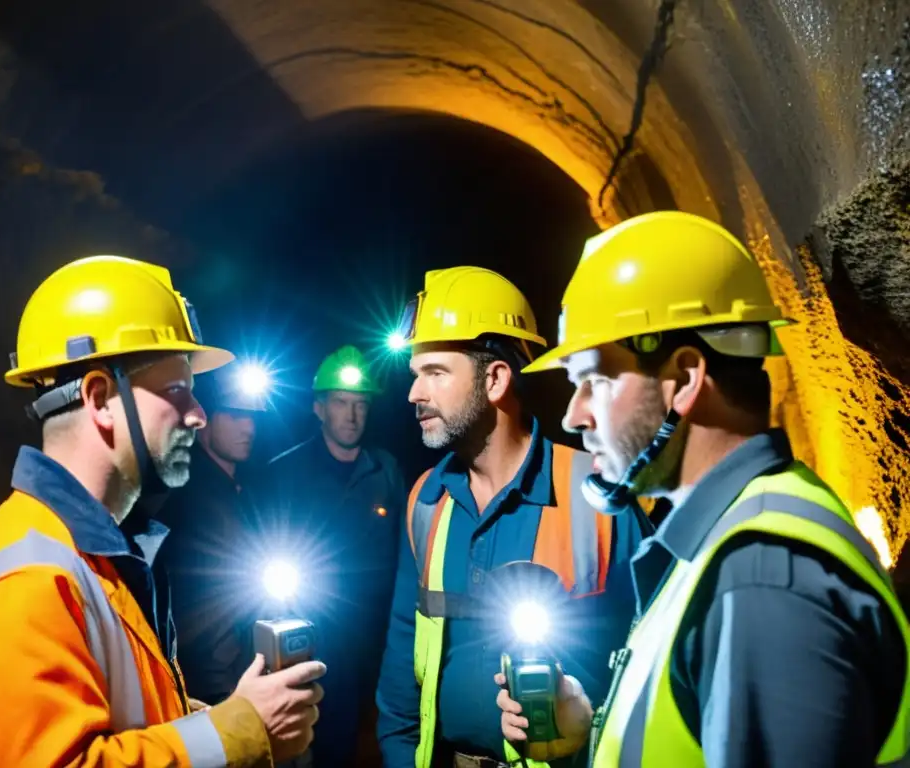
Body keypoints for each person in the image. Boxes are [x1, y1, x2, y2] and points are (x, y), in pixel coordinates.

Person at [500, 211, 910, 767]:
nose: (573, 416)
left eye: (594, 381)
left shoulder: (762, 579)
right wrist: (589, 737)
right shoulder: (724, 547)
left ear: (686, 379)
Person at [0, 255, 324, 767]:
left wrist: (229, 716)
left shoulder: (94, 557)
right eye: (177, 391)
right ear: (100, 398)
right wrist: (240, 729)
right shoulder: (27, 579)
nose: (198, 416)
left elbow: (124, 727)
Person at [377, 266, 648, 768]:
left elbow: (656, 666)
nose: (414, 394)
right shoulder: (426, 499)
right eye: (415, 375)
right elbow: (401, 667)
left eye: (435, 373)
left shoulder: (596, 493)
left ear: (496, 378)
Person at [262, 344, 405, 767]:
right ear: (319, 408)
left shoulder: (386, 470)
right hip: (310, 638)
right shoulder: (285, 471)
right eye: (341, 403)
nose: (352, 414)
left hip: (374, 640)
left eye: (361, 404)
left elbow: (401, 551)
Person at [157, 360, 270, 705]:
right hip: (207, 679)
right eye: (235, 415)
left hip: (243, 665)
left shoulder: (248, 489)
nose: (248, 427)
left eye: (252, 417)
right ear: (204, 419)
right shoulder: (183, 495)